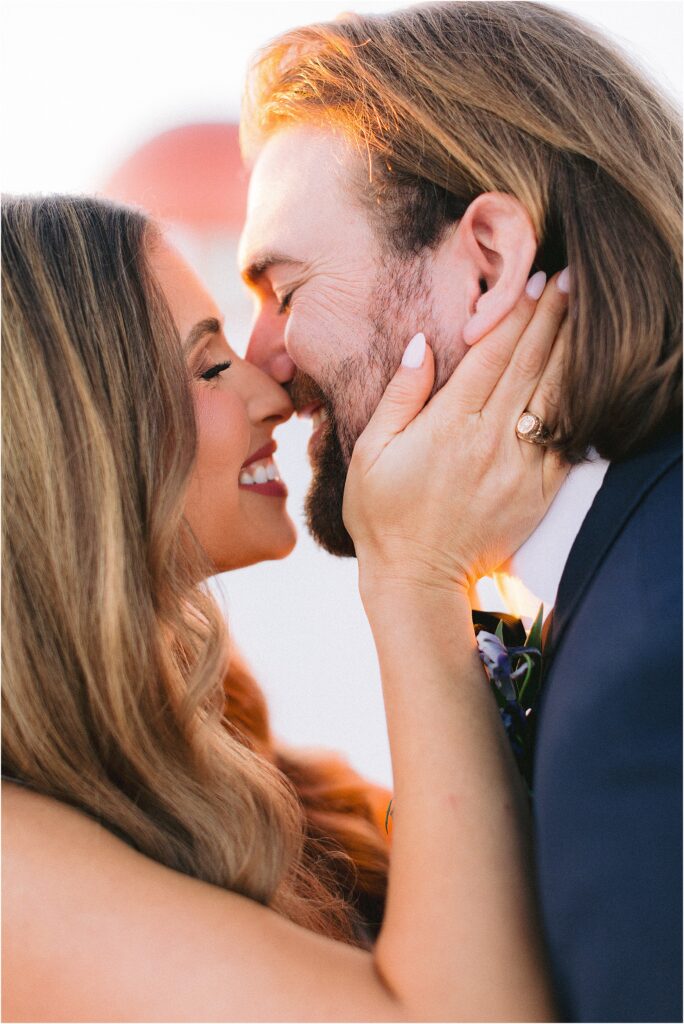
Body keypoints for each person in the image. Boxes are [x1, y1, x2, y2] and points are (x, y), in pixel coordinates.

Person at [2, 193, 568, 1021]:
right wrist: (413, 577)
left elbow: (487, 833)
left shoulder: (218, 730)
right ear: (74, 437)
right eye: (207, 367)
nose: (272, 389)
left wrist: (494, 575)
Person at [237, 2, 683, 1021]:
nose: (261, 359)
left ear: (483, 261)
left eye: (285, 288)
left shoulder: (653, 673)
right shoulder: (559, 591)